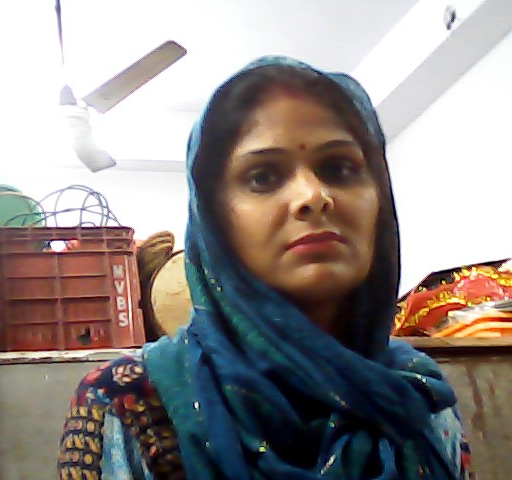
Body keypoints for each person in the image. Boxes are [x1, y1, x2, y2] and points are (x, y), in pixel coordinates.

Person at [58, 56, 474, 480]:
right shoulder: (129, 400)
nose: (312, 196)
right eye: (262, 177)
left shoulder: (416, 394)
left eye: (339, 168)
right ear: (214, 218)